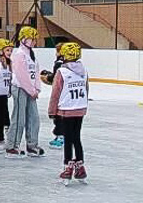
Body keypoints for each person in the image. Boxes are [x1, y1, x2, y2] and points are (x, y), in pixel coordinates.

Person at [48, 42, 89, 185]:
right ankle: (80, 166)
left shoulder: (61, 71)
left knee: (67, 140)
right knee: (76, 138)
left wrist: (52, 111)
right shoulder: (83, 70)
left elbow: (55, 93)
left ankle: (68, 166)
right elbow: (86, 88)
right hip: (80, 108)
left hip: (67, 110)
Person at [5, 26, 43, 158]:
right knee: (19, 118)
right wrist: (31, 90)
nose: (34, 42)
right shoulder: (19, 54)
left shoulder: (31, 55)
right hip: (21, 89)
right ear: (23, 39)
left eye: (34, 39)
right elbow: (21, 75)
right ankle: (12, 146)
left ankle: (32, 145)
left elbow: (35, 72)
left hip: (31, 90)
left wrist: (37, 88)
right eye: (31, 39)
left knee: (34, 118)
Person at [42, 42, 66, 150]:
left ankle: (60, 136)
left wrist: (47, 77)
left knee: (58, 114)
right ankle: (66, 135)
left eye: (57, 51)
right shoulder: (70, 62)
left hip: (60, 93)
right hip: (67, 93)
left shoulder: (59, 64)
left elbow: (56, 79)